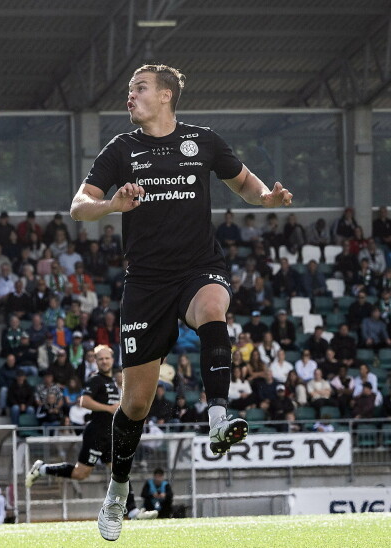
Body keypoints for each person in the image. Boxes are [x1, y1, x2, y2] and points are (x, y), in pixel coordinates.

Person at [70, 64, 292, 541]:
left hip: (198, 268)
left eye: (139, 89)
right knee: (135, 404)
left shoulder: (204, 140)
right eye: (130, 89)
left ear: (166, 96)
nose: (130, 96)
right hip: (146, 283)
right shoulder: (120, 149)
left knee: (214, 309)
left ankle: (218, 416)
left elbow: (246, 184)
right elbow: (78, 207)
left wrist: (267, 200)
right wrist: (112, 206)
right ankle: (117, 491)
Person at [26, 345, 121, 485]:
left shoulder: (111, 382)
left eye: (107, 358)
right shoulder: (96, 379)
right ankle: (42, 469)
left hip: (108, 433)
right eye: (101, 359)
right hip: (97, 434)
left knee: (119, 472)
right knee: (81, 473)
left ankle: (131, 507)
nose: (104, 361)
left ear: (113, 360)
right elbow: (84, 401)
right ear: (95, 361)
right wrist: (109, 408)